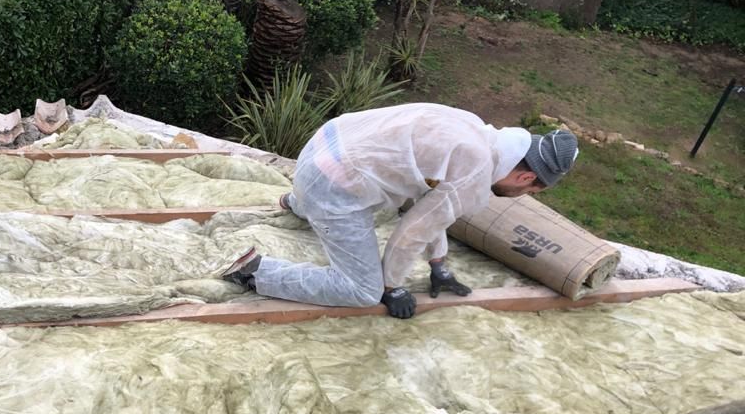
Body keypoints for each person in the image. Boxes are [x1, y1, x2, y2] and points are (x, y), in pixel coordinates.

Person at [221, 103, 578, 319]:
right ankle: (256, 271)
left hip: (320, 149)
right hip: (332, 183)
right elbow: (413, 231)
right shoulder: (476, 170)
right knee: (360, 290)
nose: (523, 194)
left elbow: (433, 203)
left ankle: (297, 201)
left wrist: (438, 264)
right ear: (527, 175)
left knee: (379, 194)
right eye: (530, 189)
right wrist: (390, 287)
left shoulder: (476, 130)